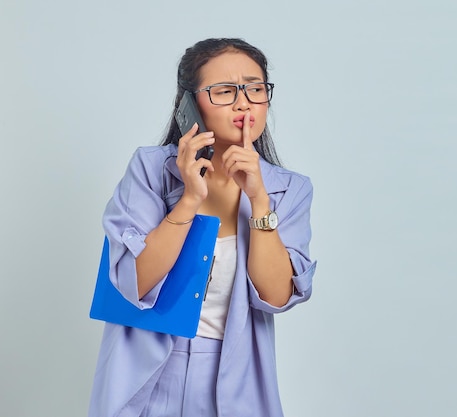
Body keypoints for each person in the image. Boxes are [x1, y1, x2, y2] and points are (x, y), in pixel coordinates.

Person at [88, 38, 316, 417]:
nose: (244, 103)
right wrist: (190, 198)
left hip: (233, 375)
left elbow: (276, 297)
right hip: (146, 373)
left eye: (255, 88)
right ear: (190, 105)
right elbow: (134, 283)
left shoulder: (289, 189)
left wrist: (259, 200)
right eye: (225, 91)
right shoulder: (151, 170)